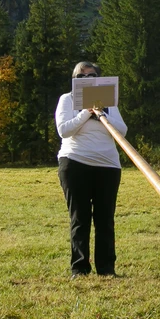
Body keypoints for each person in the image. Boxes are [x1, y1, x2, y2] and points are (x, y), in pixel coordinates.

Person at [54, 61, 127, 278]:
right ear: (74, 81)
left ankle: (106, 269)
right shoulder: (67, 99)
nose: (86, 80)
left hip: (108, 166)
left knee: (105, 219)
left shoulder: (109, 104)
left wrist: (103, 112)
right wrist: (86, 112)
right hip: (75, 163)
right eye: (81, 77)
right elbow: (64, 130)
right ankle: (80, 268)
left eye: (91, 76)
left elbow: (122, 131)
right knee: (80, 217)